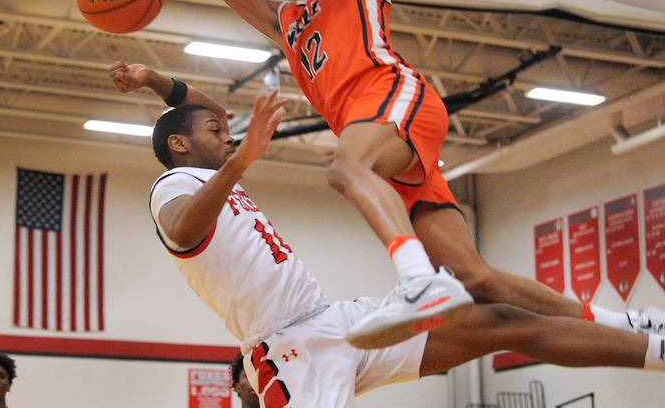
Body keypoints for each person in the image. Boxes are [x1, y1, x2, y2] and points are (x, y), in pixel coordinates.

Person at [172, 0, 664, 348]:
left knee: (345, 168)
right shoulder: (287, 22)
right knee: (477, 279)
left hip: (392, 96)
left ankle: (417, 282)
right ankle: (631, 327)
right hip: (380, 135)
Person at [111, 62, 664, 407]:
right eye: (216, 133)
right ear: (181, 146)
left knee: (503, 322)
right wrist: (242, 162)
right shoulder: (172, 185)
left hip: (334, 321)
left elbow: (203, 109)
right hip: (291, 347)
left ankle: (656, 351)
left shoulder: (205, 159)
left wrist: (152, 79)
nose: (229, 137)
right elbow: (184, 230)